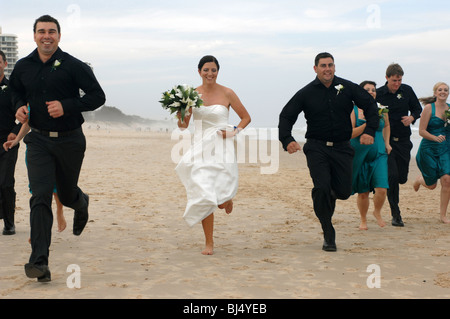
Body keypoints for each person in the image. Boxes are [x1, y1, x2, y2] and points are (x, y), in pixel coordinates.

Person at [9, 15, 105, 282]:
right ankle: (39, 262)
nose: (46, 36)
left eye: (52, 31)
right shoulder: (24, 66)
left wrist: (67, 105)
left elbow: (98, 96)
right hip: (38, 139)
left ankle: (80, 201)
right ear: (34, 35)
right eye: (41, 32)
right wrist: (18, 106)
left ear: (59, 36)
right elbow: (15, 90)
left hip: (70, 140)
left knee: (66, 193)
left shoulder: (73, 65)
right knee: (39, 196)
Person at [278, 52, 379, 252]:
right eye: (323, 65)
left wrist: (369, 130)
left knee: (342, 191)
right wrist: (287, 139)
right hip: (317, 148)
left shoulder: (347, 88)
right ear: (315, 69)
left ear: (335, 67)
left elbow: (370, 105)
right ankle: (328, 231)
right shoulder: (306, 93)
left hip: (342, 147)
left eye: (330, 65)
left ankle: (324, 196)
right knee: (322, 187)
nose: (327, 69)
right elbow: (287, 115)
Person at [175, 55, 251, 255]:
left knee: (219, 198)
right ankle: (209, 242)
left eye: (213, 70)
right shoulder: (191, 95)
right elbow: (183, 125)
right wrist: (181, 113)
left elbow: (246, 117)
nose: (210, 73)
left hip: (222, 144)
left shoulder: (227, 93)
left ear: (218, 71)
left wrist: (235, 131)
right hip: (200, 147)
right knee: (204, 194)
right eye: (206, 70)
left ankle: (226, 199)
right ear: (199, 71)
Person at [376, 63, 422, 226]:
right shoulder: (379, 94)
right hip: (385, 142)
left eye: (400, 80)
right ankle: (396, 214)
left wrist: (412, 118)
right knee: (392, 177)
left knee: (401, 177)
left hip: (403, 141)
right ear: (387, 78)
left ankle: (383, 185)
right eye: (394, 80)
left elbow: (417, 109)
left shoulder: (407, 90)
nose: (397, 83)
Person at [3, 121, 66, 233]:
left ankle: (59, 210)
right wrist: (17, 140)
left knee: (56, 185)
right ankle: (38, 231)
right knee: (38, 191)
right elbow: (28, 121)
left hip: (59, 143)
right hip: (36, 145)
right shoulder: (32, 103)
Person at [350, 81, 392, 230]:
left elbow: (386, 126)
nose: (371, 92)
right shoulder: (353, 110)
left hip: (379, 154)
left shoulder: (381, 110)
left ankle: (377, 212)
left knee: (382, 189)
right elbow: (350, 133)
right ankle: (363, 219)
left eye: (373, 90)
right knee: (363, 192)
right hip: (360, 154)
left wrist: (387, 143)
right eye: (367, 89)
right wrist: (367, 124)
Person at [413, 82, 450, 224]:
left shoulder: (449, 109)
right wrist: (435, 137)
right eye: (440, 90)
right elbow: (422, 131)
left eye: (445, 90)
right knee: (432, 185)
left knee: (447, 180)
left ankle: (443, 215)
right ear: (435, 93)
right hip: (429, 149)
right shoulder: (429, 108)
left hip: (446, 148)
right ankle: (419, 180)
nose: (443, 92)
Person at [0, 50, 22, 235]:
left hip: (8, 143)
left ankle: (9, 223)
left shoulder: (12, 89)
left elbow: (24, 115)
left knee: (6, 183)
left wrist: (15, 133)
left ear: (5, 64)